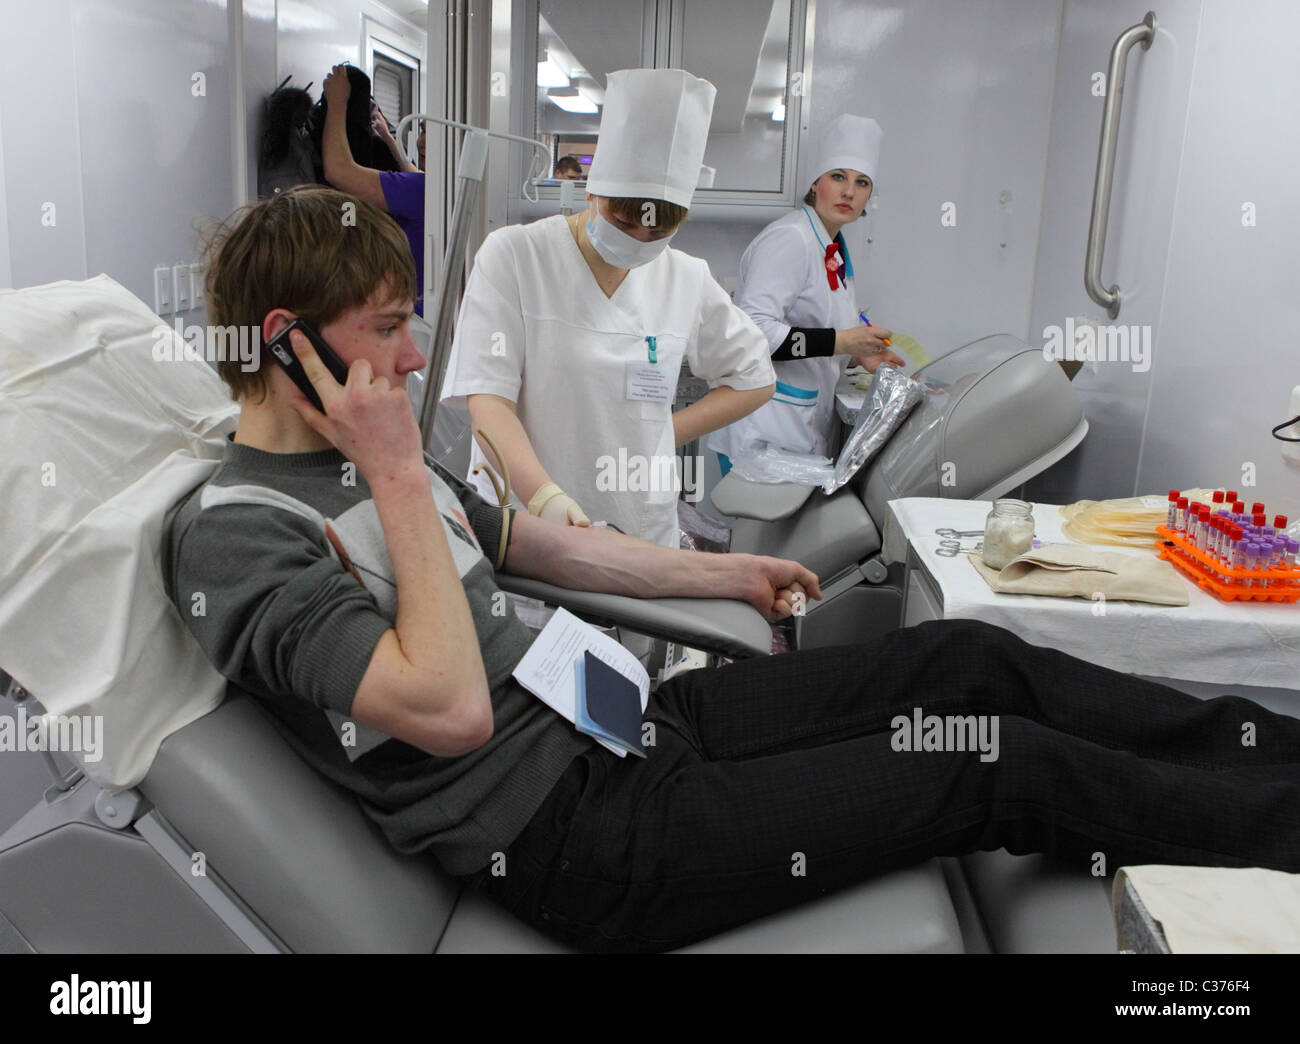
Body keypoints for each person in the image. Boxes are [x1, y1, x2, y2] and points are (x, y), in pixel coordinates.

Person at [167, 185, 1300, 954]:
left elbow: (544, 546)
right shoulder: (236, 534)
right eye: (387, 329)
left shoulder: (372, 459)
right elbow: (450, 711)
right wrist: (401, 476)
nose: (414, 357)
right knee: (990, 765)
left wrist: (730, 578)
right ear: (286, 342)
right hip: (576, 837)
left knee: (969, 656)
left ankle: (1273, 755)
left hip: (633, 726)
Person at [441, 69, 775, 548]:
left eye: (657, 234)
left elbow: (754, 377)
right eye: (623, 222)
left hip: (639, 526)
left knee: (632, 624)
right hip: (526, 524)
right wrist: (545, 499)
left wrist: (663, 434)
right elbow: (487, 402)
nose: (638, 241)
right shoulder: (515, 256)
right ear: (593, 190)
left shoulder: (685, 277)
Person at [710, 114, 907, 473]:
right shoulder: (791, 239)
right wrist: (843, 342)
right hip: (763, 430)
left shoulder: (831, 248)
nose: (849, 191)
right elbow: (753, 331)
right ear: (816, 183)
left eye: (862, 183)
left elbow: (820, 329)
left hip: (792, 431)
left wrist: (859, 355)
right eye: (838, 177)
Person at [320, 63, 426, 315]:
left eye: (427, 134)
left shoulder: (419, 190)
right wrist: (388, 139)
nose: (421, 141)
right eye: (422, 131)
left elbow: (337, 170)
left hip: (411, 317)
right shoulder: (440, 188)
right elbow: (416, 175)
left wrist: (336, 103)